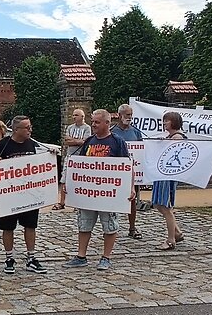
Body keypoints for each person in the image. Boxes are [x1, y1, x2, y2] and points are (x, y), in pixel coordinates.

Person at [63, 109, 130, 271]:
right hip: (89, 193)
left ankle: (106, 257)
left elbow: (127, 166)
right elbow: (79, 164)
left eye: (97, 122)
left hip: (109, 193)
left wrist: (130, 188)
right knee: (84, 223)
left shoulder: (117, 142)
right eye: (92, 121)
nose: (93, 125)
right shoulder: (90, 141)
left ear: (107, 123)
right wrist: (69, 182)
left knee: (109, 225)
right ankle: (81, 256)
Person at [0, 116, 49, 274]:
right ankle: (9, 258)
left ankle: (31, 258)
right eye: (26, 127)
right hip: (9, 195)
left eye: (30, 126)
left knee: (30, 225)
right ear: (16, 130)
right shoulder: (4, 144)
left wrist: (50, 155)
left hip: (29, 193)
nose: (30, 130)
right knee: (8, 227)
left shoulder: (32, 144)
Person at [154, 111, 188, 250]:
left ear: (173, 122)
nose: (164, 123)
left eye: (167, 121)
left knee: (166, 207)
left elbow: (171, 155)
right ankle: (177, 233)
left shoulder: (177, 137)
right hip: (161, 174)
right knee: (157, 204)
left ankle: (170, 239)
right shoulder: (170, 137)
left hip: (168, 175)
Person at [111, 103, 146, 239]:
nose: (130, 117)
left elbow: (140, 150)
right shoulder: (113, 131)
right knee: (114, 200)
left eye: (131, 115)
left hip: (133, 173)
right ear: (120, 116)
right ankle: (111, 228)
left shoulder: (136, 132)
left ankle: (132, 227)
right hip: (117, 172)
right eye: (127, 115)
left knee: (132, 199)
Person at [56, 108, 91, 210]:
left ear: (82, 117)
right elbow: (67, 141)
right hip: (70, 156)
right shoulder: (70, 127)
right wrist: (77, 141)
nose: (74, 117)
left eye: (76, 115)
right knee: (64, 179)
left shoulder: (87, 128)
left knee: (80, 180)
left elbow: (85, 141)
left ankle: (78, 203)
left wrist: (75, 141)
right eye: (73, 115)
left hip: (81, 158)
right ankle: (62, 202)